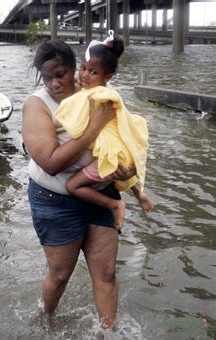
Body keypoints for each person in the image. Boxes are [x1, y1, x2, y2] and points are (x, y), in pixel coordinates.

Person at [22, 40, 136, 330]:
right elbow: (49, 161)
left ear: (73, 69)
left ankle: (110, 339)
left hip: (100, 191)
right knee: (60, 275)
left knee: (107, 273)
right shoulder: (37, 105)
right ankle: (47, 317)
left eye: (60, 74)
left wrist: (126, 169)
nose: (54, 83)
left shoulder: (94, 90)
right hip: (55, 199)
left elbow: (122, 134)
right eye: (46, 77)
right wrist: (93, 127)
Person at [59, 32, 154, 232]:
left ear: (107, 77)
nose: (84, 75)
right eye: (83, 68)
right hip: (120, 151)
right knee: (122, 169)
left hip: (111, 154)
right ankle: (140, 194)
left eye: (92, 72)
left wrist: (55, 121)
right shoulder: (106, 91)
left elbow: (76, 123)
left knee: (73, 186)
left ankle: (115, 205)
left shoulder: (98, 95)